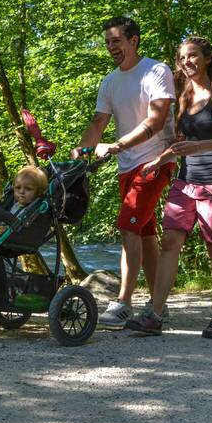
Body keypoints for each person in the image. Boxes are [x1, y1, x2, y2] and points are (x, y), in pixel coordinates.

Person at [125, 36, 212, 339]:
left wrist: (200, 145)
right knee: (170, 243)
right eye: (182, 58)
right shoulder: (185, 95)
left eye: (192, 56)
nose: (187, 62)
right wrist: (158, 159)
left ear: (206, 58)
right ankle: (155, 313)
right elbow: (181, 144)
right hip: (186, 181)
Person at [71, 17, 176, 329]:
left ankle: (124, 303)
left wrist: (115, 145)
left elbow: (156, 121)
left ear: (134, 41)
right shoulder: (110, 81)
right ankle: (160, 304)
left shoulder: (157, 71)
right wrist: (81, 152)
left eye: (116, 40)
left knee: (128, 225)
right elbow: (98, 123)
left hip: (155, 162)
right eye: (107, 42)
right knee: (144, 234)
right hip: (127, 166)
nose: (111, 47)